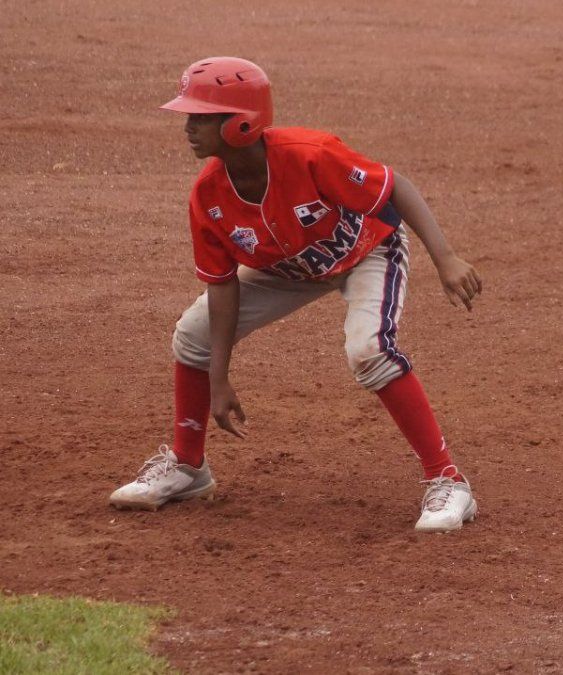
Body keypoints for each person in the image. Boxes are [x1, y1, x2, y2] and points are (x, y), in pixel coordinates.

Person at [109, 57, 482, 533]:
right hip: (287, 270)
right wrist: (218, 378)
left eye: (200, 117)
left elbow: (395, 187)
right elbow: (221, 285)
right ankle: (187, 466)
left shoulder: (310, 154)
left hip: (367, 251)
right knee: (192, 335)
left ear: (241, 123)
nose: (188, 129)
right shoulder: (208, 194)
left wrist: (445, 258)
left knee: (369, 351)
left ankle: (448, 481)